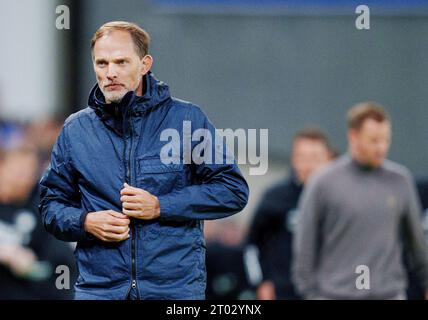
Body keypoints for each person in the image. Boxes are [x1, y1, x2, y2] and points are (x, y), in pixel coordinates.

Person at [39, 21, 249, 300]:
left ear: (144, 64)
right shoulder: (76, 130)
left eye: (121, 62)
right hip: (99, 290)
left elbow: (232, 190)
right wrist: (85, 221)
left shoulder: (187, 120)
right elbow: (50, 204)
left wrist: (161, 206)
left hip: (173, 291)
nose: (110, 73)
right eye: (101, 63)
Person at [293, 102, 428, 300]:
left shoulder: (401, 181)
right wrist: (312, 295)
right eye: (373, 140)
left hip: (389, 295)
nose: (381, 147)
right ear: (353, 137)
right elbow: (304, 249)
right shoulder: (323, 182)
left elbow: (417, 245)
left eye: (385, 140)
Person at [245, 128, 334, 300]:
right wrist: (262, 282)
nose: (309, 165)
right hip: (284, 291)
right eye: (303, 158)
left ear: (328, 158)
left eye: (315, 157)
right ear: (294, 159)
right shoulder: (275, 198)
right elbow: (252, 246)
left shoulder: (340, 200)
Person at [0, 147, 76, 299]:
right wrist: (7, 253)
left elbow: (64, 263)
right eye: (19, 173)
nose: (25, 180)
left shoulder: (41, 208)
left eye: (30, 173)